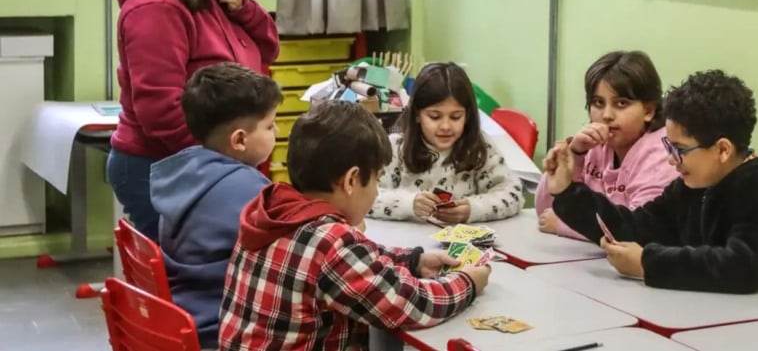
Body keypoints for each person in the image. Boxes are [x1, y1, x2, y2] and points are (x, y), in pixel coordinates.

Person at [219, 100, 490, 350]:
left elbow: (356, 258)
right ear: (351, 181)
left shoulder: (274, 209)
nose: (375, 191)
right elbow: (410, 303)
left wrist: (413, 261)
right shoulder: (330, 243)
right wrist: (468, 283)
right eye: (376, 179)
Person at [546, 70, 758, 298]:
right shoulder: (690, 187)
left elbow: (744, 266)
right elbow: (634, 228)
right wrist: (567, 191)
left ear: (723, 149)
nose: (671, 161)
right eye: (668, 147)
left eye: (679, 150)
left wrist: (649, 263)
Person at [107, 0, 280, 242]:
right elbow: (162, 113)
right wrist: (229, 154)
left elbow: (267, 49)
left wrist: (244, 7)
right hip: (162, 165)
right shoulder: (156, 7)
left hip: (214, 160)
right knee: (198, 275)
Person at [149, 63, 281, 348]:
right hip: (221, 326)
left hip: (183, 315)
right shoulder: (250, 191)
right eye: (270, 125)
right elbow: (297, 252)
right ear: (240, 140)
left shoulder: (184, 171)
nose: (277, 131)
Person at [535, 51, 677, 240]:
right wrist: (575, 155)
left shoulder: (661, 154)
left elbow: (638, 231)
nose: (607, 115)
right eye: (598, 103)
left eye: (621, 103)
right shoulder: (593, 144)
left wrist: (564, 225)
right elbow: (545, 211)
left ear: (648, 111)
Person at [368, 62, 523, 224]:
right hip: (405, 245)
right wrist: (408, 204)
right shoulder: (396, 148)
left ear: (468, 115)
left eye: (456, 117)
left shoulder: (479, 148)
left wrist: (474, 209)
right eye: (434, 117)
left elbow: (512, 194)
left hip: (464, 245)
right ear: (416, 115)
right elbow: (363, 197)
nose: (446, 126)